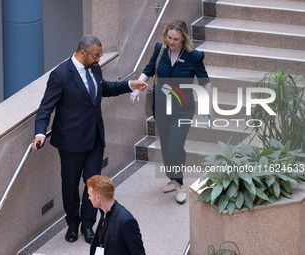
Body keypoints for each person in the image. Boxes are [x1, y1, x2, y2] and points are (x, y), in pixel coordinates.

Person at [31, 35, 148, 244]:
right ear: (83, 52)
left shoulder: (94, 68)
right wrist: (40, 133)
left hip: (95, 138)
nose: (99, 59)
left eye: (100, 55)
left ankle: (88, 224)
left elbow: (105, 89)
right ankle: (73, 224)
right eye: (96, 55)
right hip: (70, 141)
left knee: (93, 184)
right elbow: (45, 108)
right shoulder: (60, 74)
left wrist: (130, 85)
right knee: (70, 185)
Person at [130, 20, 213, 204]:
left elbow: (205, 83)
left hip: (182, 109)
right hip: (161, 106)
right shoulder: (160, 49)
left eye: (176, 39)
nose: (171, 42)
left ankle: (179, 184)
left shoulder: (194, 56)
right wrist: (136, 89)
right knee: (166, 144)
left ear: (184, 38)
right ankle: (172, 177)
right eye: (169, 37)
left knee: (175, 145)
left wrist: (208, 106)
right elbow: (148, 70)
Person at [87, 175, 146, 255]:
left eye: (90, 195)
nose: (89, 198)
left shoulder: (126, 221)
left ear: (98, 198)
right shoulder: (103, 212)